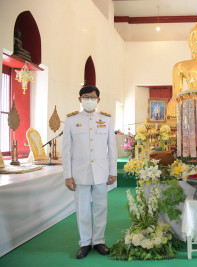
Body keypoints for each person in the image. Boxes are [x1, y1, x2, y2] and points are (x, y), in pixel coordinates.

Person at [62, 85, 117, 259]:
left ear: (98, 100)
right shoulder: (71, 120)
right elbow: (65, 150)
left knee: (101, 208)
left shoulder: (106, 120)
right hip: (80, 173)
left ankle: (99, 240)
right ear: (80, 99)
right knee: (82, 209)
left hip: (101, 172)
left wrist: (113, 171)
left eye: (92, 98)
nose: (89, 100)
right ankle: (85, 242)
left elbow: (112, 148)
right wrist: (67, 175)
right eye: (86, 97)